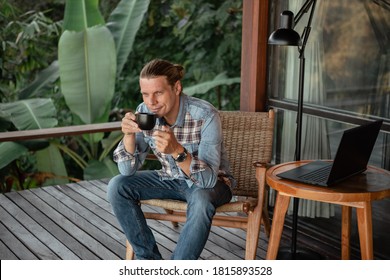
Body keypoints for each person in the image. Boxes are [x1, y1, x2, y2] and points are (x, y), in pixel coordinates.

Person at [107, 58, 235, 260]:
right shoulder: (145, 111)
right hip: (170, 179)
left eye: (158, 93)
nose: (151, 102)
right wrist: (128, 135)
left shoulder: (205, 115)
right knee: (117, 186)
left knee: (201, 199)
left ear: (176, 88)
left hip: (213, 185)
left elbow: (208, 180)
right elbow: (126, 170)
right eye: (145, 94)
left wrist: (177, 151)